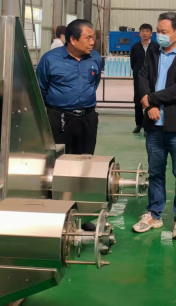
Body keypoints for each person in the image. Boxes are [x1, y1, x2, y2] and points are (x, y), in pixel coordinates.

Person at [133, 12, 176, 240]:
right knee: (155, 172)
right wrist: (148, 104)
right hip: (154, 124)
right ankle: (154, 213)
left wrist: (152, 99)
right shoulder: (153, 50)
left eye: (163, 32)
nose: (158, 35)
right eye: (158, 31)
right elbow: (142, 76)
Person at [37, 20, 102, 231]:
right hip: (59, 119)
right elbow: (40, 89)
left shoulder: (95, 58)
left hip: (88, 119)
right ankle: (56, 213)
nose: (92, 42)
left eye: (93, 38)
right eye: (88, 38)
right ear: (72, 39)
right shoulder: (50, 60)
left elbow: (94, 83)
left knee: (84, 166)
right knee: (58, 166)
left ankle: (81, 215)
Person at [130, 24, 159, 134]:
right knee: (138, 102)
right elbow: (133, 63)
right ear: (140, 33)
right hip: (138, 79)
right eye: (143, 31)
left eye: (147, 31)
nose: (145, 33)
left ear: (151, 33)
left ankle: (148, 126)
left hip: (152, 79)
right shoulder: (135, 47)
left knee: (151, 101)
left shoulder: (156, 47)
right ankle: (139, 124)